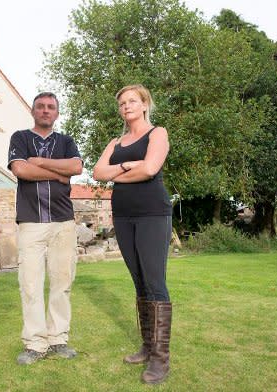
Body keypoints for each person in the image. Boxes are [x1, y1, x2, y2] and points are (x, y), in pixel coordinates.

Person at [93, 84, 173, 384]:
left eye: (132, 101)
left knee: (155, 283)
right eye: (122, 102)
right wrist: (128, 163)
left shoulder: (158, 133)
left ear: (143, 105)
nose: (126, 106)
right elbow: (99, 173)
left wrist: (122, 171)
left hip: (153, 213)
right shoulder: (117, 141)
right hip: (123, 215)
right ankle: (147, 346)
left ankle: (160, 360)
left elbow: (150, 169)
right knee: (139, 282)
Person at [8, 92, 83, 365]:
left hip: (63, 222)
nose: (45, 110)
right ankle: (35, 343)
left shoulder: (65, 141)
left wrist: (40, 162)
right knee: (30, 284)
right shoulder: (20, 138)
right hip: (31, 222)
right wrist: (58, 174)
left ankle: (58, 339)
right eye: (40, 106)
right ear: (33, 111)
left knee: (62, 283)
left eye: (51, 107)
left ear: (57, 113)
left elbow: (76, 166)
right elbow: (21, 170)